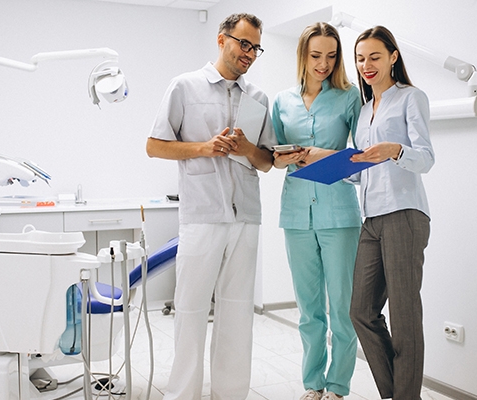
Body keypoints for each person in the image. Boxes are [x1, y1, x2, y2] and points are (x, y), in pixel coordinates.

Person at [146, 13, 275, 400]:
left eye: (256, 47)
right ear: (222, 40)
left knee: (237, 315)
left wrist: (246, 149)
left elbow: (266, 161)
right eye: (243, 44)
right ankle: (182, 394)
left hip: (245, 216)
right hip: (202, 215)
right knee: (190, 310)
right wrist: (205, 147)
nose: (250, 53)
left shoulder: (259, 98)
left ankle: (231, 393)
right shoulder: (185, 86)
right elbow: (155, 145)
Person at [271, 22, 362, 400]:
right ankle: (313, 384)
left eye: (331, 55)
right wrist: (285, 157)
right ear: (302, 56)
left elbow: (362, 156)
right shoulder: (282, 101)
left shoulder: (349, 97)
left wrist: (322, 155)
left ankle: (338, 386)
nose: (323, 63)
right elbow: (273, 158)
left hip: (339, 214)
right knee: (309, 310)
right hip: (296, 213)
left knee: (342, 309)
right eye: (315, 55)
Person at [348, 25, 435, 400]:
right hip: (371, 217)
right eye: (360, 58)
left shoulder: (410, 98)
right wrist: (332, 168)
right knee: (361, 312)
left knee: (404, 319)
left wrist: (395, 150)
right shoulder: (365, 110)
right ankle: (395, 395)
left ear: (393, 57)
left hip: (404, 214)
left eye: (375, 56)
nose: (366, 65)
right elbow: (365, 169)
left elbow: (426, 159)